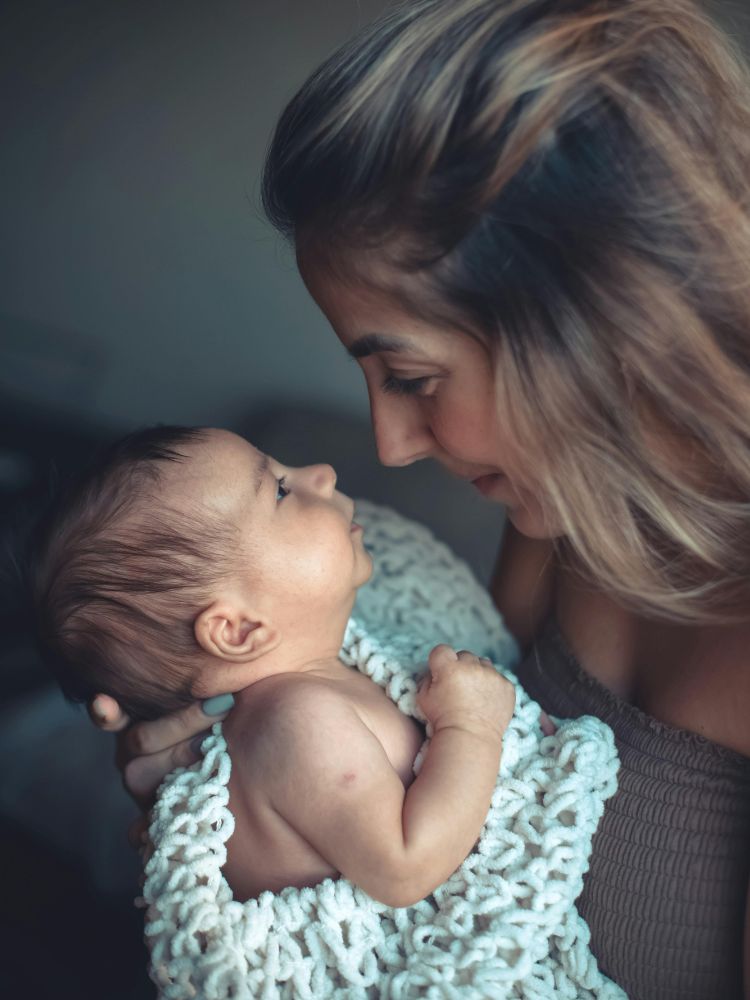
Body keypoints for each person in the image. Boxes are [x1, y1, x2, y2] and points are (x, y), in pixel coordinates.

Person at [91, 1, 750, 996]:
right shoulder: (559, 513)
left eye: (409, 375)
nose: (390, 449)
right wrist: (226, 804)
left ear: (588, 325)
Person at [32, 424, 516, 905]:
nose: (322, 474)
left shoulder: (314, 684)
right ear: (238, 631)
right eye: (281, 490)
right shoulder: (295, 720)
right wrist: (470, 725)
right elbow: (405, 869)